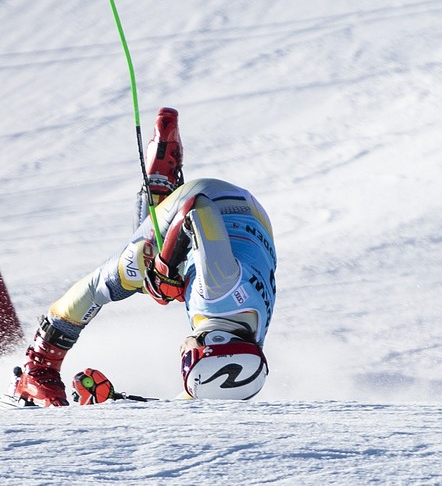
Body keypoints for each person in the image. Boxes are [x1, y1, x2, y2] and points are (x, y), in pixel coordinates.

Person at [10, 108, 277, 406]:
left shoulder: (246, 344)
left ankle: (160, 187)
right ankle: (39, 366)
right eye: (187, 359)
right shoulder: (219, 292)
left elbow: (195, 402)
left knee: (171, 277)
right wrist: (164, 268)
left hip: (252, 219)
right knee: (131, 271)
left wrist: (115, 402)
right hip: (212, 198)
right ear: (213, 343)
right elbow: (198, 208)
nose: (182, 356)